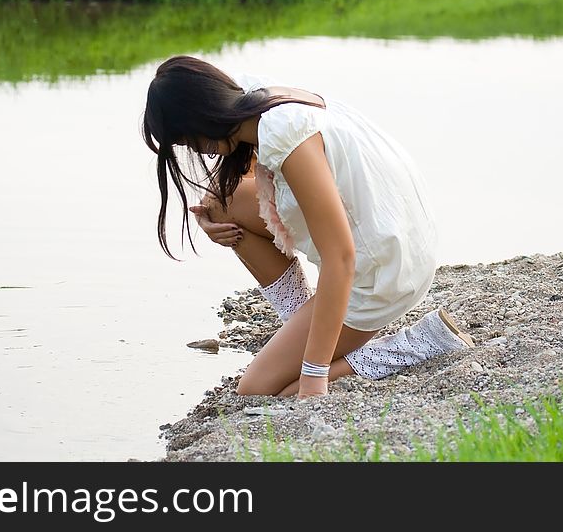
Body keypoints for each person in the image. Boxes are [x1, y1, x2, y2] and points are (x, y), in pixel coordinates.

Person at [142, 55, 475, 399]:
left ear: (201, 115)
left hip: (382, 272)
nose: (197, 150)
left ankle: (421, 343)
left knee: (258, 389)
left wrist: (314, 374)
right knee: (221, 202)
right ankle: (304, 322)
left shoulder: (285, 135)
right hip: (395, 229)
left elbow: (341, 257)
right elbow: (229, 189)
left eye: (186, 139)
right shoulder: (255, 96)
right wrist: (209, 219)